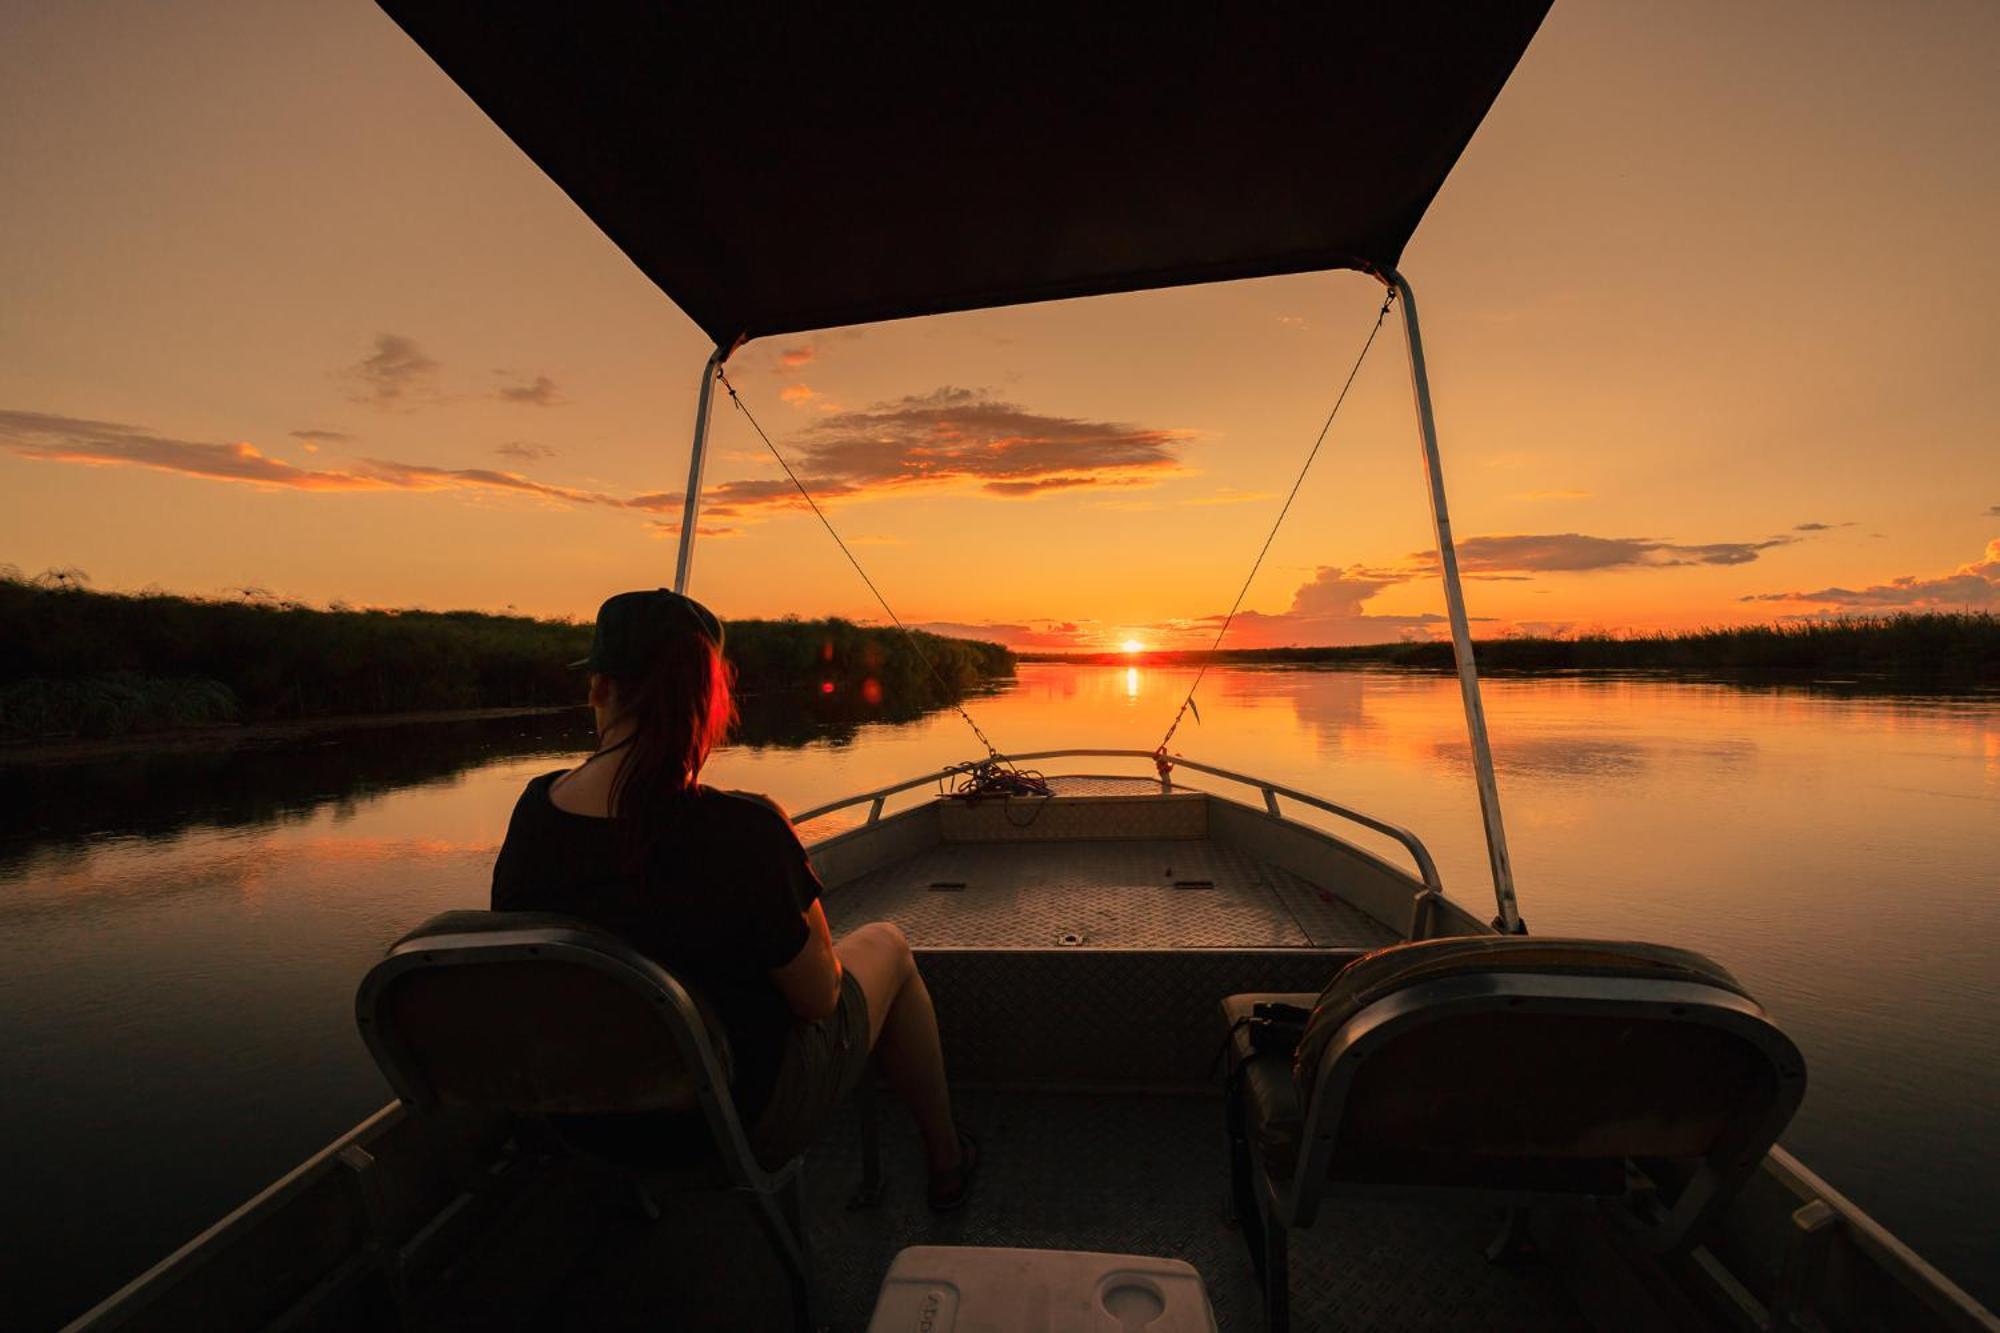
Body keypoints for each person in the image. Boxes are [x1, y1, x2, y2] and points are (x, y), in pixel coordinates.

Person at [490, 588, 977, 1208]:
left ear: (599, 689)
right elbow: (819, 997)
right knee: (889, 946)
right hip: (730, 1123)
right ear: (709, 698)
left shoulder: (533, 813)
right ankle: (948, 1161)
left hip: (580, 1123)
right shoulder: (743, 830)